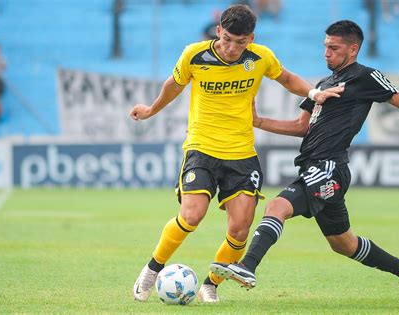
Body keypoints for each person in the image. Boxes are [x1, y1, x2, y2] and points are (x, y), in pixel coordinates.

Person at [210, 20, 399, 300]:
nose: (326, 53)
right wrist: (258, 121)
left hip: (329, 166)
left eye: (334, 48)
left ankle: (247, 266)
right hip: (313, 167)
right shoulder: (323, 84)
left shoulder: (365, 77)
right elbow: (301, 126)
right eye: (325, 47)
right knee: (343, 244)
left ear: (353, 49)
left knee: (277, 206)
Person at [129, 4, 343, 303]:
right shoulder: (194, 54)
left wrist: (313, 93)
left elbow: (287, 78)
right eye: (227, 39)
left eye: (240, 42)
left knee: (240, 229)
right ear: (219, 31)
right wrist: (150, 110)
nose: (232, 48)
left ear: (251, 39)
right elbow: (173, 85)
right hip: (201, 147)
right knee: (192, 215)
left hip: (241, 153)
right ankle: (152, 269)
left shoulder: (260, 57)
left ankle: (211, 283)